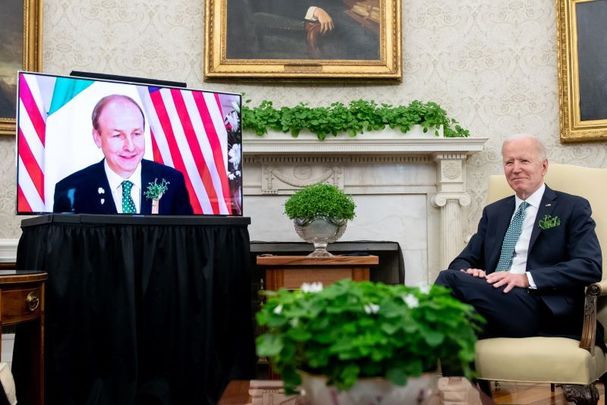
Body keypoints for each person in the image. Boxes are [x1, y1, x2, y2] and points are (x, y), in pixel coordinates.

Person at [435, 134, 602, 345]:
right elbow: (461, 261)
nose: (515, 169)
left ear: (543, 166)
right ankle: (457, 378)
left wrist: (526, 278)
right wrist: (470, 271)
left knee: (448, 282)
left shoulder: (571, 207)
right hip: (497, 302)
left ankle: (419, 363)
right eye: (509, 162)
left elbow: (589, 266)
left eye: (524, 161)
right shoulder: (494, 213)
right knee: (456, 317)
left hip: (543, 307)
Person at [53, 94, 193, 215]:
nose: (130, 147)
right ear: (97, 137)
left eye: (136, 134)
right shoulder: (70, 190)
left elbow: (186, 240)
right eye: (117, 135)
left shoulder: (172, 181)